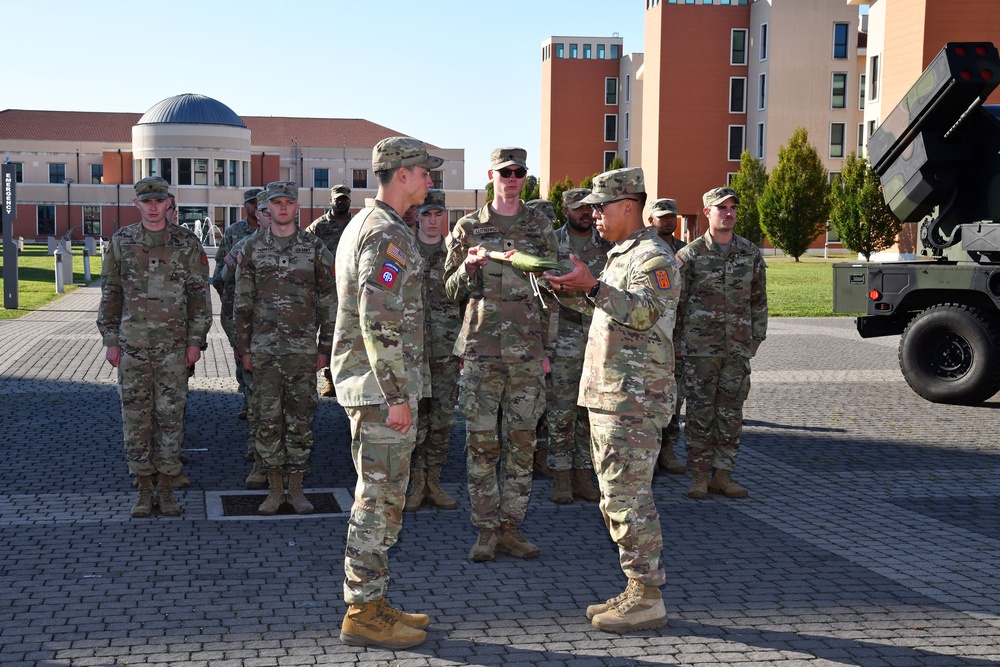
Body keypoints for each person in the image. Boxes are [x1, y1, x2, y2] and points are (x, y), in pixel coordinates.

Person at [545, 166, 679, 633]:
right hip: (611, 395)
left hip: (635, 400)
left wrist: (593, 287)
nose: (592, 214)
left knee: (629, 499)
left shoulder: (654, 258)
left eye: (600, 207)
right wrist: (570, 290)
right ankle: (635, 586)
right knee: (615, 499)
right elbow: (607, 307)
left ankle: (647, 596)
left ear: (628, 206)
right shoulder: (620, 254)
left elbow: (641, 313)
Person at [332, 136, 441, 649]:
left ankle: (372, 600)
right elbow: (379, 321)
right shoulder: (385, 235)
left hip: (374, 387)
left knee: (380, 497)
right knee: (378, 500)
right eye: (424, 172)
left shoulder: (368, 224)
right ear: (401, 174)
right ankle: (362, 612)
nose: (429, 180)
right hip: (381, 393)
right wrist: (398, 394)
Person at [443, 147, 558, 563]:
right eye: (504, 172)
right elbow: (449, 289)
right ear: (491, 175)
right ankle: (486, 530)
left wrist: (547, 349)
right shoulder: (469, 227)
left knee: (523, 444)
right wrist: (468, 269)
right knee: (481, 445)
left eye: (519, 172)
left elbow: (554, 291)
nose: (511, 178)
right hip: (481, 352)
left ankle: (512, 527)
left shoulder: (541, 226)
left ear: (525, 177)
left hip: (528, 353)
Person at [97, 176, 212, 518]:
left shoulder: (187, 243)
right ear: (137, 203)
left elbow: (199, 297)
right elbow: (111, 293)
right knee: (136, 419)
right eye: (146, 200)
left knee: (170, 417)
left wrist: (196, 341)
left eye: (158, 200)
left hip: (174, 348)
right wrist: (110, 339)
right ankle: (144, 489)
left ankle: (166, 487)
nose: (152, 206)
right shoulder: (122, 241)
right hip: (132, 346)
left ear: (168, 204)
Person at [233, 181, 336, 515]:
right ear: (267, 207)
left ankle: (297, 488)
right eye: (275, 203)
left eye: (287, 203)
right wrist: (243, 348)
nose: (281, 208)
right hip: (263, 351)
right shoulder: (250, 248)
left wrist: (325, 346)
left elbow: (329, 299)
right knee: (266, 420)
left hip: (302, 351)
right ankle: (275, 490)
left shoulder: (315, 247)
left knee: (301, 420)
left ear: (296, 207)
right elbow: (242, 302)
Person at [675, 187, 767, 499]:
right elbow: (678, 303)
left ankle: (723, 474)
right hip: (699, 348)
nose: (728, 213)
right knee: (701, 413)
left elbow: (759, 300)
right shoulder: (690, 256)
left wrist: (756, 337)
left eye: (732, 208)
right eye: (721, 208)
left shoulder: (750, 253)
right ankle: (699, 476)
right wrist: (676, 344)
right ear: (707, 212)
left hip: (737, 348)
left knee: (731, 413)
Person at [546, 188, 610, 504]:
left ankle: (584, 475)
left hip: (599, 341)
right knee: (561, 412)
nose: (585, 212)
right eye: (578, 207)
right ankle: (560, 477)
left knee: (590, 413)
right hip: (562, 341)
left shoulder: (607, 245)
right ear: (565, 209)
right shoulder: (552, 244)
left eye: (590, 207)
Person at [405, 189, 461, 512]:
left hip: (445, 353)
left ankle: (434, 483)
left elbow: (469, 304)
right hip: (411, 356)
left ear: (444, 216)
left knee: (441, 421)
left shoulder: (456, 256)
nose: (431, 220)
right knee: (413, 421)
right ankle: (415, 484)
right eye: (426, 214)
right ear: (417, 215)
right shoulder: (403, 252)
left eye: (437, 214)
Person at [219, 190, 273, 487]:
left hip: (290, 340)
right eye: (262, 210)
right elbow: (224, 281)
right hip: (254, 336)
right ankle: (258, 454)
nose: (267, 215)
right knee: (255, 398)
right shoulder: (242, 246)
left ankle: (288, 463)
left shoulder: (305, 246)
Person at [213, 187, 264, 419]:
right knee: (242, 354)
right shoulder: (235, 233)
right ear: (245, 206)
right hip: (237, 307)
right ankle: (248, 398)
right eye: (252, 203)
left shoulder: (280, 234)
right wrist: (229, 299)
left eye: (259, 203)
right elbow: (220, 273)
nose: (256, 207)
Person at [647, 197, 687, 475]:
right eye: (662, 217)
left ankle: (668, 448)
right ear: (651, 220)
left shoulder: (685, 252)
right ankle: (648, 449)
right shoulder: (645, 249)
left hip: (678, 334)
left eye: (672, 216)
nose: (668, 221)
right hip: (648, 335)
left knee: (674, 396)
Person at [307, 184, 353, 398]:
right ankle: (329, 379)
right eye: (337, 199)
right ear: (331, 200)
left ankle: (345, 378)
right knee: (327, 334)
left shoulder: (356, 225)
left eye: (344, 198)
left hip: (351, 290)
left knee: (348, 334)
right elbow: (305, 250)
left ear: (350, 201)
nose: (341, 202)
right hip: (323, 289)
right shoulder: (318, 227)